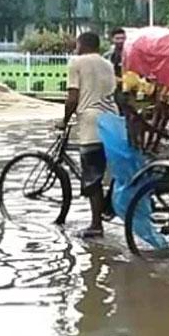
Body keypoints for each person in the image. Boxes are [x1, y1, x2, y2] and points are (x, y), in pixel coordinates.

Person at [60, 32, 119, 238]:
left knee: (92, 175)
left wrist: (64, 120)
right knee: (111, 173)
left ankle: (96, 225)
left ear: (81, 45)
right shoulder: (108, 64)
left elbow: (72, 97)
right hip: (112, 121)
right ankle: (109, 207)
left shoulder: (76, 62)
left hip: (91, 122)